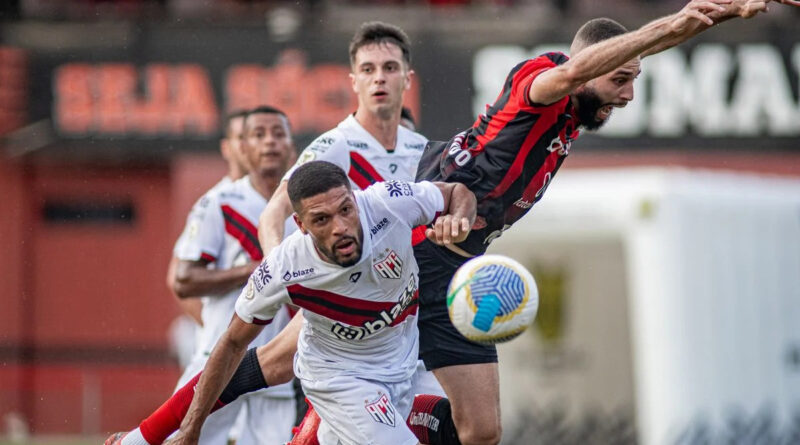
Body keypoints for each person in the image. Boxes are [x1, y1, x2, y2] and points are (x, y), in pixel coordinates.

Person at [176, 160, 476, 445]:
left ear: (355, 200)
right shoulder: (284, 268)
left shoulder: (389, 202)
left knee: (475, 430)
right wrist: (191, 429)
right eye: (321, 219)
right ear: (301, 224)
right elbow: (231, 343)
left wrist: (459, 219)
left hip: (402, 364)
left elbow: (456, 192)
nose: (340, 227)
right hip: (339, 378)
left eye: (345, 209)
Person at [124, 106, 298, 445]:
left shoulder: (306, 206)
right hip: (218, 363)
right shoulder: (218, 203)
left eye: (278, 134)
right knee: (180, 439)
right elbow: (183, 279)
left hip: (276, 367)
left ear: (292, 146)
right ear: (241, 147)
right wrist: (255, 273)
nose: (270, 143)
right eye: (258, 135)